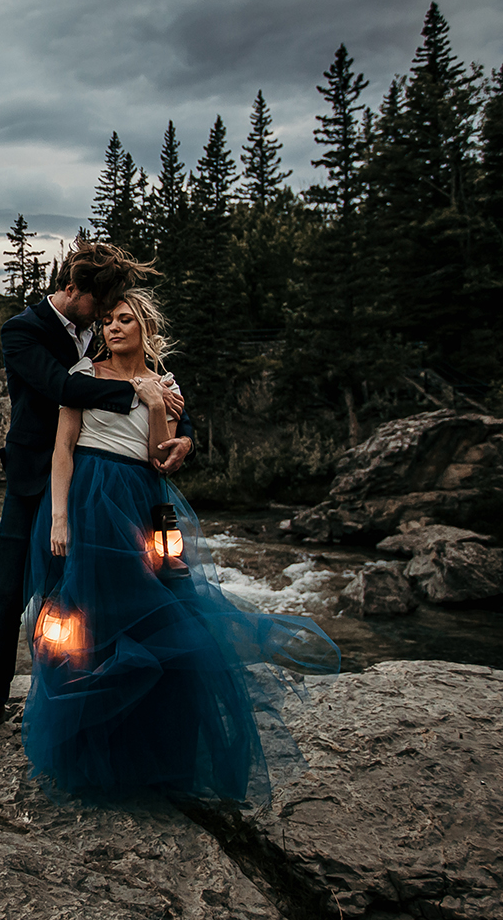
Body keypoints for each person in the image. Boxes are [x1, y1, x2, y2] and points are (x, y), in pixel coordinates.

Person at [21, 286, 339, 802]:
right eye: (106, 322)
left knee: (166, 609)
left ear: (144, 325)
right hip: (88, 499)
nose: (112, 328)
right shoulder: (80, 376)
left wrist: (153, 405)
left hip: (146, 502)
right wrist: (60, 518)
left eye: (124, 320)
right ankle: (87, 751)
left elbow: (158, 458)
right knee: (85, 620)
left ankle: (159, 753)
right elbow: (63, 449)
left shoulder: (164, 385)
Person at [0, 241, 193, 741]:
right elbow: (62, 389)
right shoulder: (22, 331)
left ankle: (108, 694)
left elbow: (157, 388)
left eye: (113, 314)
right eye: (99, 309)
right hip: (39, 478)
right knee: (12, 587)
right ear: (72, 289)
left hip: (111, 490)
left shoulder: (105, 333)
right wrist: (134, 394)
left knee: (114, 588)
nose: (106, 319)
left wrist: (187, 434)